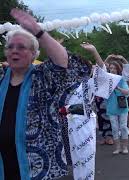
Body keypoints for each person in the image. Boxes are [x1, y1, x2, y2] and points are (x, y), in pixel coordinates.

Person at [0, 9, 91, 179]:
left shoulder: (43, 77)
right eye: (10, 47)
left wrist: (38, 31)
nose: (14, 51)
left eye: (21, 47)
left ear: (34, 54)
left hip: (38, 169)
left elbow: (64, 63)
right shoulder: (1, 78)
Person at [106, 61, 129, 154]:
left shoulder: (121, 79)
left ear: (118, 69)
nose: (112, 70)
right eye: (111, 68)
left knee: (123, 127)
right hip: (111, 106)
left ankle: (125, 147)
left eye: (114, 68)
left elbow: (127, 92)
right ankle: (117, 148)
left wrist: (118, 88)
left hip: (122, 106)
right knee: (115, 128)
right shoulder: (107, 79)